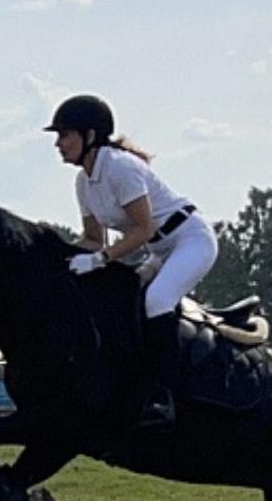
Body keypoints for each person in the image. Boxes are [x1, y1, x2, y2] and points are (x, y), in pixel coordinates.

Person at [45, 94, 218, 428]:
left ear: (90, 135)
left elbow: (143, 228)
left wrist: (99, 260)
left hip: (190, 239)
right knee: (125, 300)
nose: (59, 144)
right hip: (159, 249)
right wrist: (59, 258)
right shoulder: (84, 182)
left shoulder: (120, 168)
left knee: (157, 301)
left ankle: (164, 395)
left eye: (65, 135)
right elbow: (94, 239)